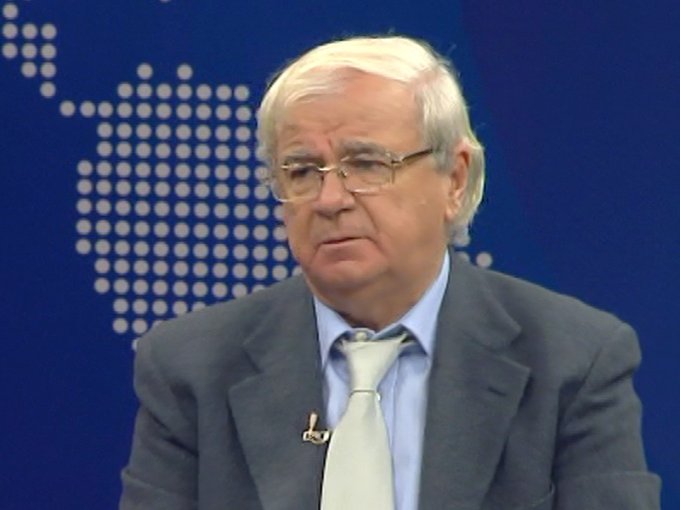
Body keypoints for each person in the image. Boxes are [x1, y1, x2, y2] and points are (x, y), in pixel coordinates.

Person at [119, 35, 661, 510]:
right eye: (302, 171)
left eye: (366, 164)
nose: (330, 199)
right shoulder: (192, 368)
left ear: (455, 179)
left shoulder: (573, 363)